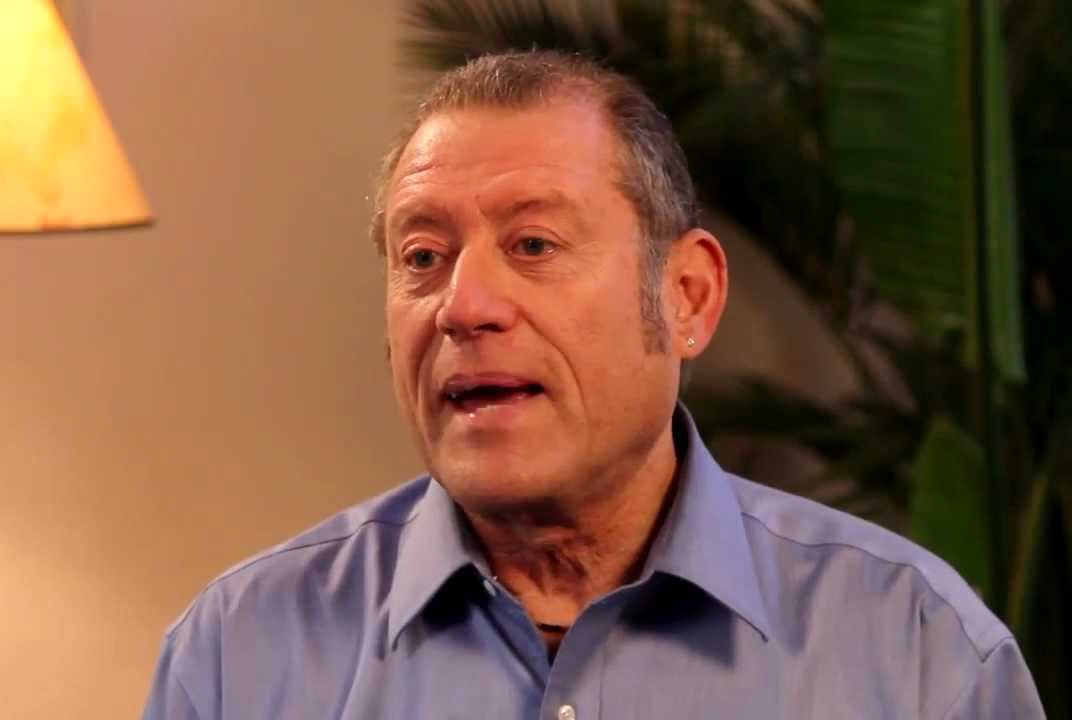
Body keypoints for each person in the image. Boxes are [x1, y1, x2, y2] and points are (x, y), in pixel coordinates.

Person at [141, 51, 1044, 719]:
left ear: (687, 296)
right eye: (422, 257)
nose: (464, 306)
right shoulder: (240, 653)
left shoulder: (915, 651)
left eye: (533, 245)